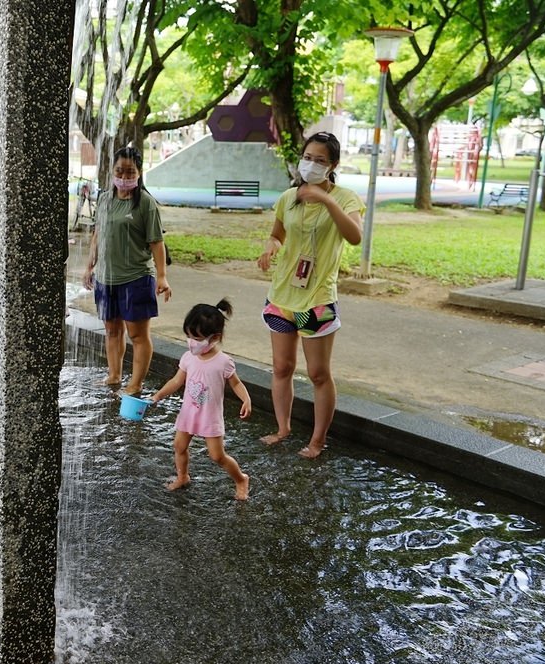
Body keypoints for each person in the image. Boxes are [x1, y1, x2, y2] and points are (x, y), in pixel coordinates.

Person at [256, 131, 364, 459]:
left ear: (333, 165)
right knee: (281, 367)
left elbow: (355, 237)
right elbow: (277, 234)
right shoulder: (288, 198)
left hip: (318, 298)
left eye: (320, 160)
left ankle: (318, 440)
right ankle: (283, 428)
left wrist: (328, 201)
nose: (311, 164)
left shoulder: (345, 198)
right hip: (281, 295)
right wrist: (271, 247)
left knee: (318, 373)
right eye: (307, 157)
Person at [82, 146, 171, 396]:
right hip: (106, 279)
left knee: (137, 334)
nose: (123, 176)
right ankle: (114, 376)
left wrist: (162, 275)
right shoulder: (104, 199)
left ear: (139, 173)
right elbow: (99, 234)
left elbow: (156, 242)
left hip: (136, 278)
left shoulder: (145, 204)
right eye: (119, 171)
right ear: (112, 170)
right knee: (112, 329)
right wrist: (90, 265)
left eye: (129, 172)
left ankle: (135, 384)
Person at [149, 300, 251, 499]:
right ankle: (183, 476)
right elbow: (177, 380)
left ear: (215, 338)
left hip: (209, 416)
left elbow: (236, 383)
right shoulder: (189, 357)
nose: (191, 341)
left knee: (217, 456)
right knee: (179, 446)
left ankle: (240, 478)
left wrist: (245, 398)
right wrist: (158, 395)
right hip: (189, 413)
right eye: (188, 336)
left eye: (196, 337)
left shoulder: (223, 362)